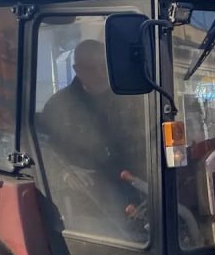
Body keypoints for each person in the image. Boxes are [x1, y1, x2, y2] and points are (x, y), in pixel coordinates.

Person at [39, 39, 147, 235]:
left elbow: (145, 142)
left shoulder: (132, 100)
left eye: (103, 67)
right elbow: (44, 153)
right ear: (76, 69)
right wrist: (65, 174)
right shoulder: (59, 107)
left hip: (136, 189)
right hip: (86, 202)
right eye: (90, 68)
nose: (99, 74)